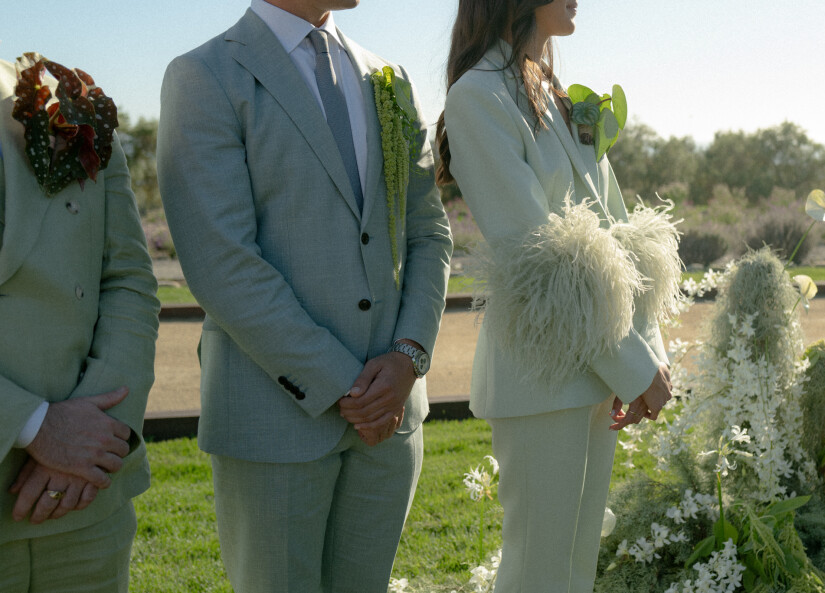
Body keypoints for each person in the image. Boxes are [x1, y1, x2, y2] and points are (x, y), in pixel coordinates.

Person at [156, 1, 452, 591]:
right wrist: (346, 385)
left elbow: (428, 231)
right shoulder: (204, 75)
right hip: (273, 418)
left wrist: (409, 356)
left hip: (391, 420)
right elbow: (221, 261)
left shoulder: (388, 77)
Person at [439, 1, 679, 591]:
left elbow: (622, 235)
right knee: (538, 571)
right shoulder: (477, 97)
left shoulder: (559, 95)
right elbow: (538, 254)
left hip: (600, 372)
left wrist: (649, 356)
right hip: (540, 379)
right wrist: (633, 367)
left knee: (576, 569)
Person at [0, 54, 160, 592]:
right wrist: (32, 425)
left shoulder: (65, 98)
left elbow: (128, 281)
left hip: (85, 507)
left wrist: (95, 438)